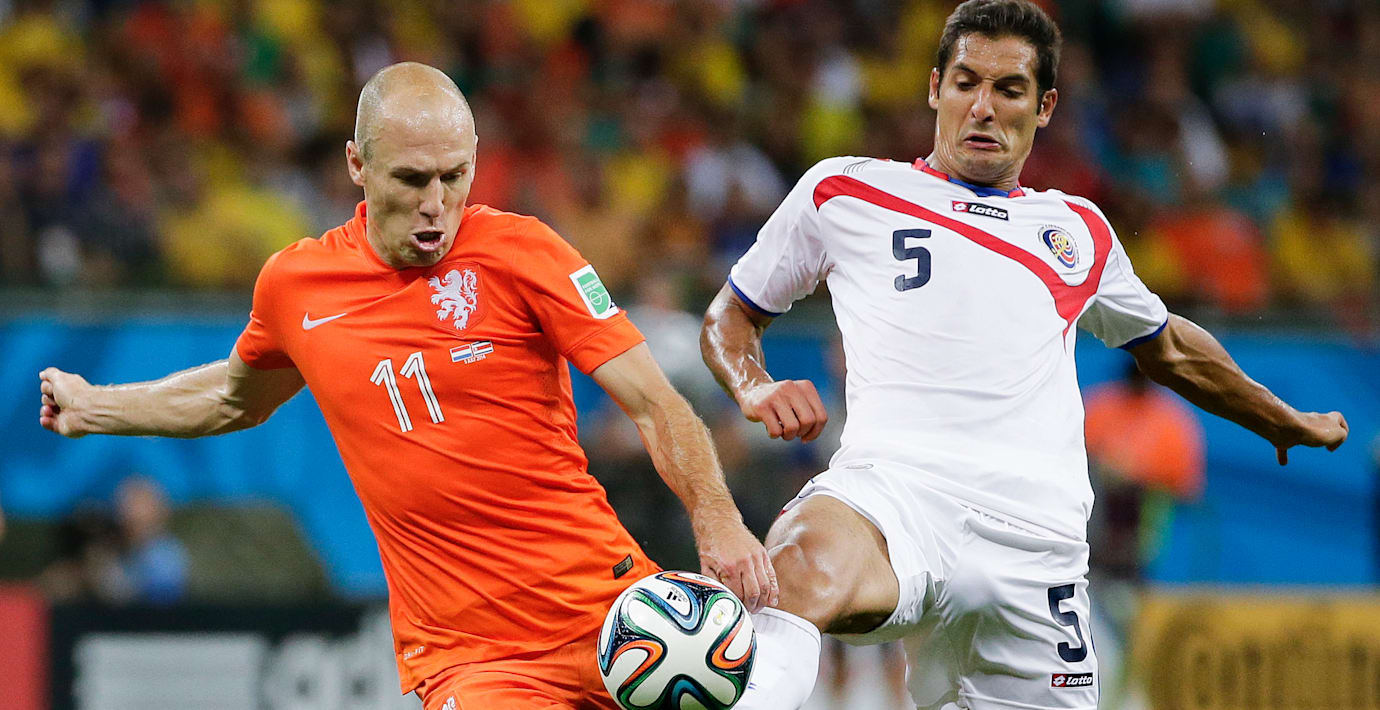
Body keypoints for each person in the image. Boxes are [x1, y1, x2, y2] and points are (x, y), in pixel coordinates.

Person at [40, 62, 776, 710]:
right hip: (473, 657)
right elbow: (234, 397)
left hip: (618, 621)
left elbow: (654, 402)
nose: (436, 203)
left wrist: (716, 518)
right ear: (357, 164)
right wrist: (95, 407)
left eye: (455, 177)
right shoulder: (298, 287)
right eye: (412, 180)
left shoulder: (525, 252)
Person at [698, 2, 1348, 709]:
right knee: (793, 567)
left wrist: (1280, 418)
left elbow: (1169, 346)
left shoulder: (1077, 229)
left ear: (1045, 107)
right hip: (896, 500)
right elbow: (730, 315)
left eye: (1009, 90)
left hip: (1037, 547)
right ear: (935, 88)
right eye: (966, 83)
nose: (983, 107)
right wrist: (753, 384)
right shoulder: (845, 192)